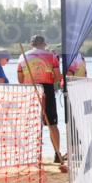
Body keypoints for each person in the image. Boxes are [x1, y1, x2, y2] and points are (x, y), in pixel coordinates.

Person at [17, 34, 64, 165]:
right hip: (47, 89)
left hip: (30, 90)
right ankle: (57, 153)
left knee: (33, 124)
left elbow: (20, 79)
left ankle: (34, 155)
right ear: (44, 44)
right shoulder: (51, 56)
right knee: (52, 124)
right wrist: (51, 81)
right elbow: (58, 76)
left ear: (32, 44)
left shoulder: (23, 56)